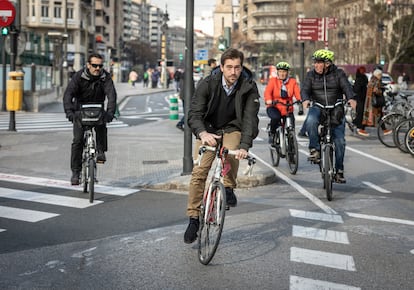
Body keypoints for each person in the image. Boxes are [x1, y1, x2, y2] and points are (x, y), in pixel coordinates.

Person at [183, 48, 260, 244]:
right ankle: (193, 218)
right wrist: (202, 133)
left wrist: (245, 146)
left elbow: (251, 120)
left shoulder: (249, 87)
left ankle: (229, 187)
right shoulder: (208, 83)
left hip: (233, 128)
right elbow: (194, 114)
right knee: (199, 172)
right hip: (208, 129)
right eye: (229, 67)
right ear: (221, 67)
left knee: (232, 152)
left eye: (237, 67)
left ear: (242, 67)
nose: (233, 72)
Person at [301, 49, 356, 183]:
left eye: (319, 63)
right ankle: (314, 149)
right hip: (318, 106)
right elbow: (305, 89)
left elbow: (347, 87)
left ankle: (339, 170)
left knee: (340, 141)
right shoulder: (311, 75)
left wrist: (351, 98)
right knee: (310, 121)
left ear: (327, 63)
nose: (316, 65)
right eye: (315, 62)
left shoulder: (339, 74)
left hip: (336, 108)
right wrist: (305, 99)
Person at [63, 53, 117, 185]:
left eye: (100, 65)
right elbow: (68, 94)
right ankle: (76, 172)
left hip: (97, 110)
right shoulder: (79, 76)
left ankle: (100, 151)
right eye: (94, 65)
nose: (97, 68)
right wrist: (69, 112)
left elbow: (112, 96)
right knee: (77, 141)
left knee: (102, 127)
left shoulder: (105, 77)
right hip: (80, 112)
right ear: (88, 65)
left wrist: (110, 113)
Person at [264, 61, 301, 144]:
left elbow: (297, 92)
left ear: (287, 72)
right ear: (277, 72)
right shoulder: (273, 81)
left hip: (287, 109)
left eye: (284, 71)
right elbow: (267, 92)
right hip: (274, 107)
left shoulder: (292, 82)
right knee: (276, 118)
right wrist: (269, 100)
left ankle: (291, 148)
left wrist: (300, 100)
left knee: (291, 127)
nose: (282, 74)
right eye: (280, 71)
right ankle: (273, 133)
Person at [362, 69, 391, 135]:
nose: (381, 76)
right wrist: (381, 91)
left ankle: (384, 129)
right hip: (374, 101)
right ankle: (362, 128)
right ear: (377, 75)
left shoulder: (372, 79)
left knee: (372, 115)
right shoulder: (376, 81)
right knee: (377, 115)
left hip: (369, 100)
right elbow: (375, 90)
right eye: (380, 75)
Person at [353, 66, 369, 136]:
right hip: (360, 97)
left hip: (362, 97)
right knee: (360, 112)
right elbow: (357, 88)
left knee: (361, 112)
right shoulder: (360, 78)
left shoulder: (362, 77)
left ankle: (359, 126)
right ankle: (359, 126)